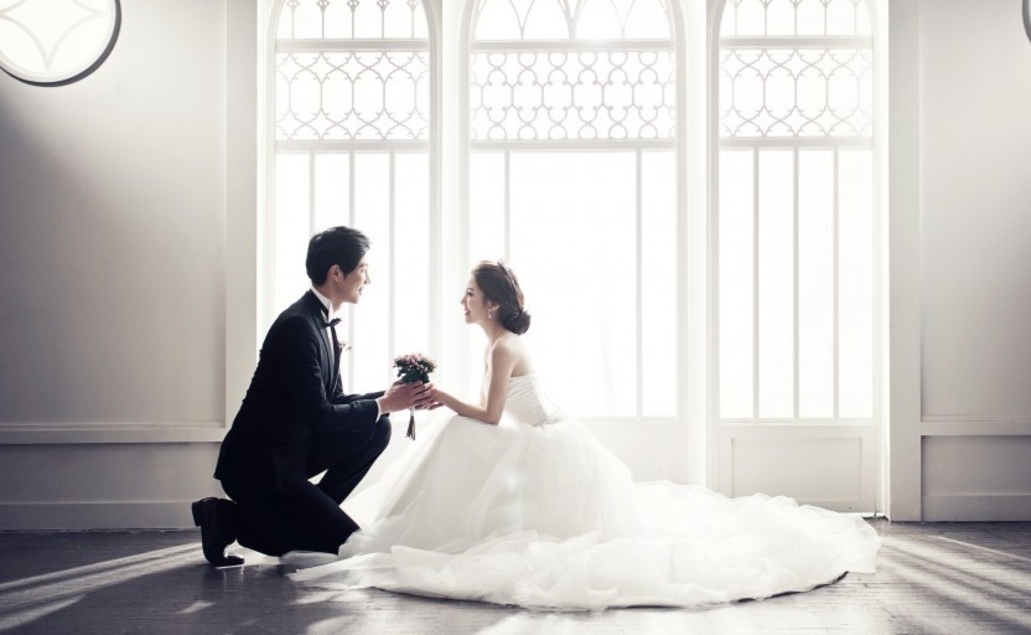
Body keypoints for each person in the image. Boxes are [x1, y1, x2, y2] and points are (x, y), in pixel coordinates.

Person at [290, 260, 880, 610]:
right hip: (545, 437)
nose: (462, 301)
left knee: (461, 437)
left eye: (469, 294)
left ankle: (431, 527)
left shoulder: (501, 346)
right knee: (455, 441)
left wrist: (437, 396)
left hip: (549, 444)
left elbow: (494, 417)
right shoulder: (498, 343)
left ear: (490, 302)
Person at [191, 226, 434, 567]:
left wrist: (397, 398)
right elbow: (320, 415)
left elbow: (334, 400)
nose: (368, 279)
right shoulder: (297, 326)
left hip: (293, 455)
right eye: (363, 270)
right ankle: (224, 516)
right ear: (337, 273)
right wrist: (384, 404)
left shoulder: (323, 324)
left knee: (378, 427)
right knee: (341, 550)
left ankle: (296, 516)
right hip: (259, 465)